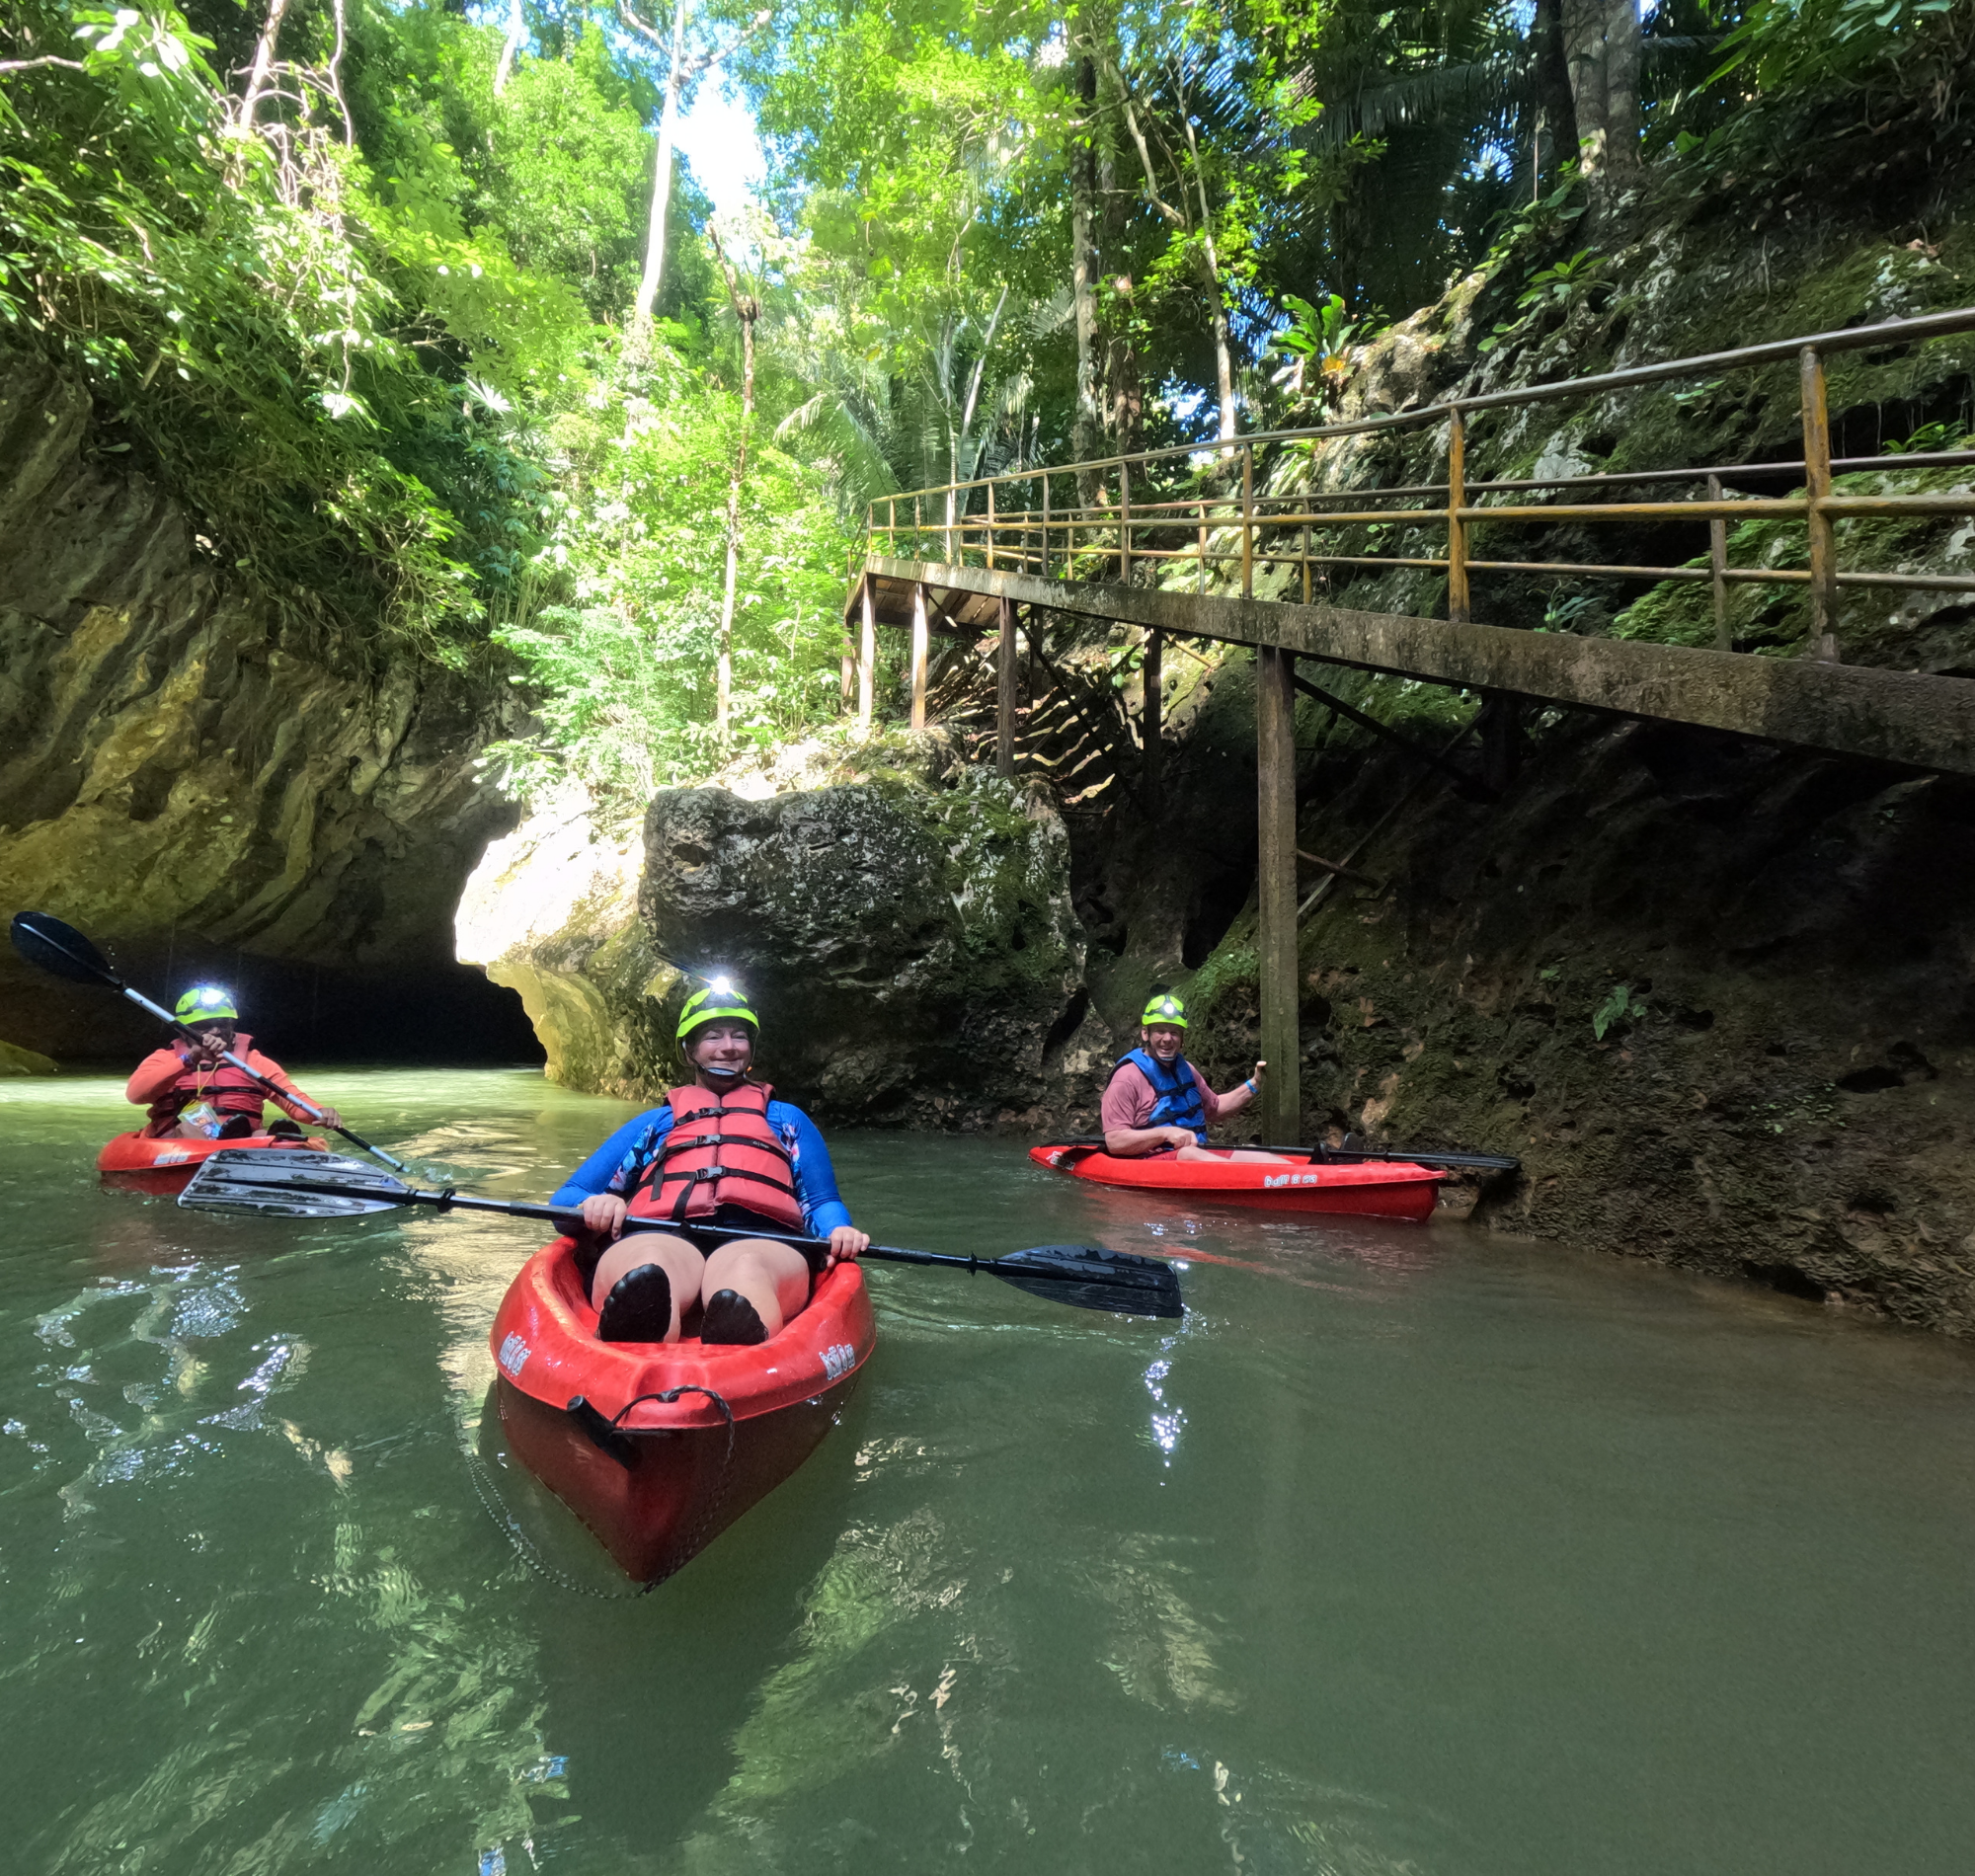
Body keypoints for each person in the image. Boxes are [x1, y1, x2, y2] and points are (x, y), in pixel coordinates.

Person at [551, 979, 870, 1346]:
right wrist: (592, 1205)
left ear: (752, 1049)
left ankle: (736, 1340)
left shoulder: (787, 1120)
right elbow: (565, 1202)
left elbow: (820, 1201)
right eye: (713, 1036)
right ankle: (640, 1336)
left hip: (762, 1240)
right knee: (651, 1264)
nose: (729, 1047)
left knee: (745, 1268)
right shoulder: (656, 1123)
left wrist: (838, 1230)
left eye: (739, 1036)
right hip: (660, 1234)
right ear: (688, 1051)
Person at [126, 985, 343, 1140]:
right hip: (180, 1141)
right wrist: (190, 1059)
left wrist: (319, 1112)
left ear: (232, 1024)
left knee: (263, 1135)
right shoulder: (165, 1059)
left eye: (222, 1023)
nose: (215, 1030)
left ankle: (265, 1144)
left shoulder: (254, 1062)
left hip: (242, 1137)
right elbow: (136, 1095)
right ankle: (224, 1143)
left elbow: (292, 1100)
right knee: (187, 1128)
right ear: (181, 1030)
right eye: (204, 1025)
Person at [1100, 990, 1289, 1162]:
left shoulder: (1186, 1069)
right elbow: (1115, 1141)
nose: (1167, 1038)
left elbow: (1214, 1108)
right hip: (1151, 1161)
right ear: (1145, 1033)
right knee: (1190, 1154)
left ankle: (1303, 1178)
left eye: (1174, 1032)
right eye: (1159, 1031)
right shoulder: (1126, 1078)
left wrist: (1255, 1084)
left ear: (1182, 1038)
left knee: (1250, 1151)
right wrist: (1165, 1133)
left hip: (1194, 1154)